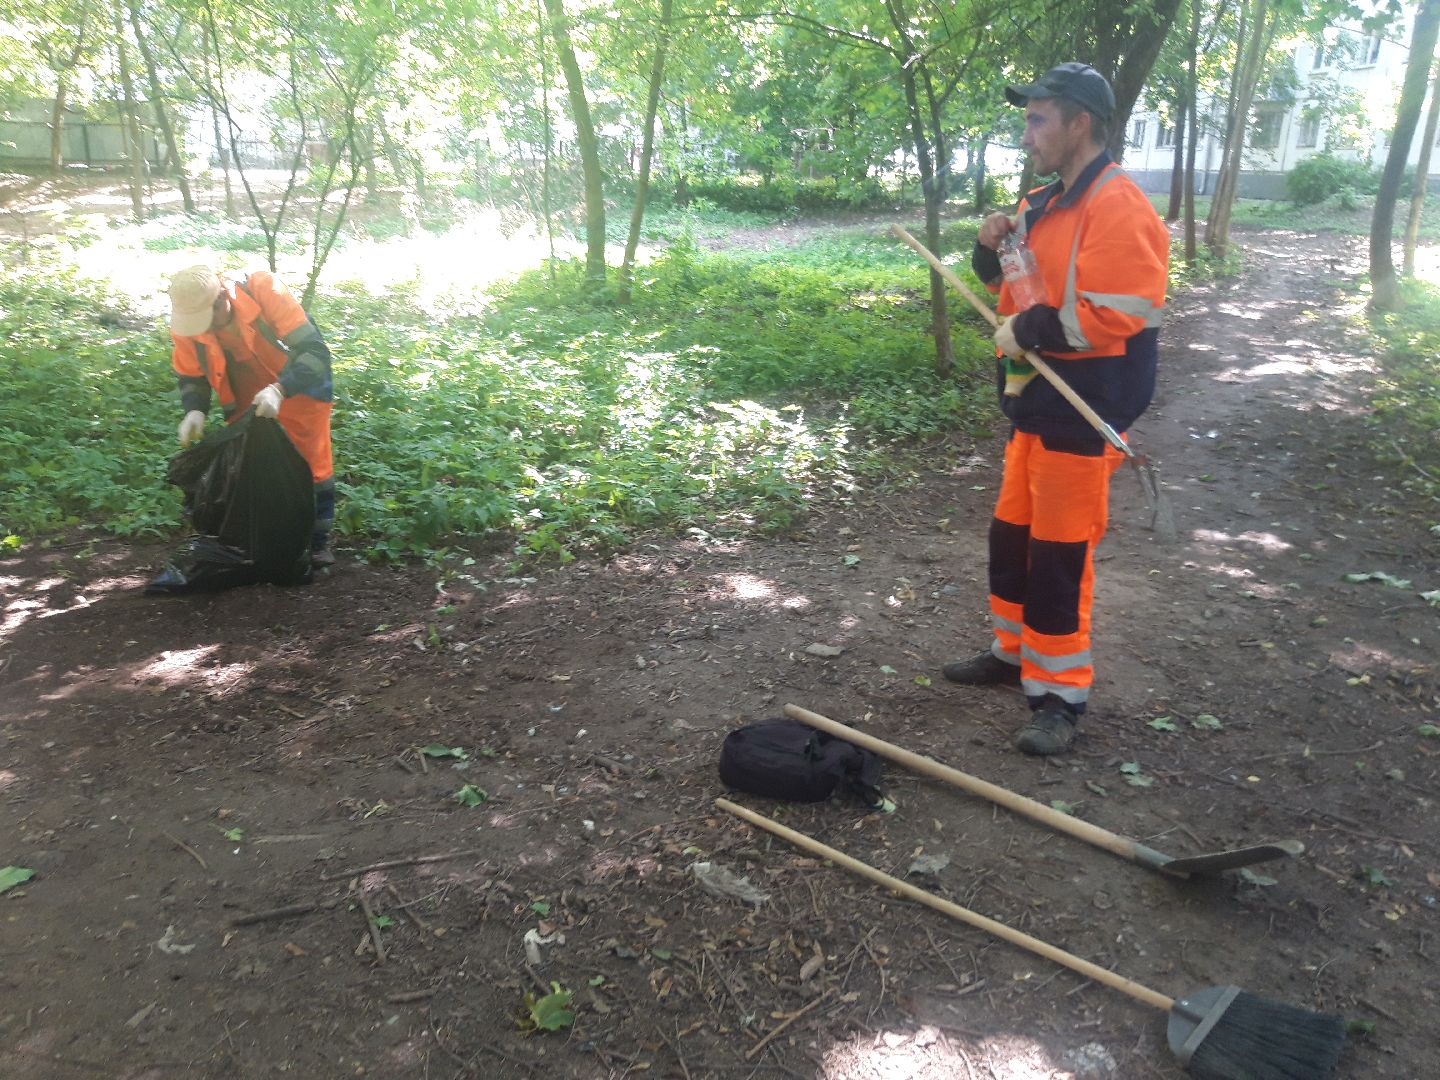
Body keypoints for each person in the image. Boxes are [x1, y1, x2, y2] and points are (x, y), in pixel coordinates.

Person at [943, 63, 1169, 755]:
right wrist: (991, 251)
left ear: (1080, 124)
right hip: (1034, 404)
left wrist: (1030, 331)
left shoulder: (1119, 203)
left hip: (1084, 406)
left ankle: (1059, 699)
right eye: (1027, 117)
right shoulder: (1043, 200)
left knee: (1060, 555)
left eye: (1040, 118)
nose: (1028, 131)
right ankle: (1012, 656)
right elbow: (1023, 287)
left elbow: (1115, 314)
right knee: (1011, 537)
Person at [168, 265, 338, 567]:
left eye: (207, 320)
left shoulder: (265, 291)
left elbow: (315, 352)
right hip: (243, 394)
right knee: (250, 465)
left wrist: (279, 389)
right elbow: (191, 375)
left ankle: (315, 544)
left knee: (312, 464)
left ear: (223, 299)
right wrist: (194, 409)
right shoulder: (187, 324)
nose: (202, 330)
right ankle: (264, 539)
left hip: (298, 387)